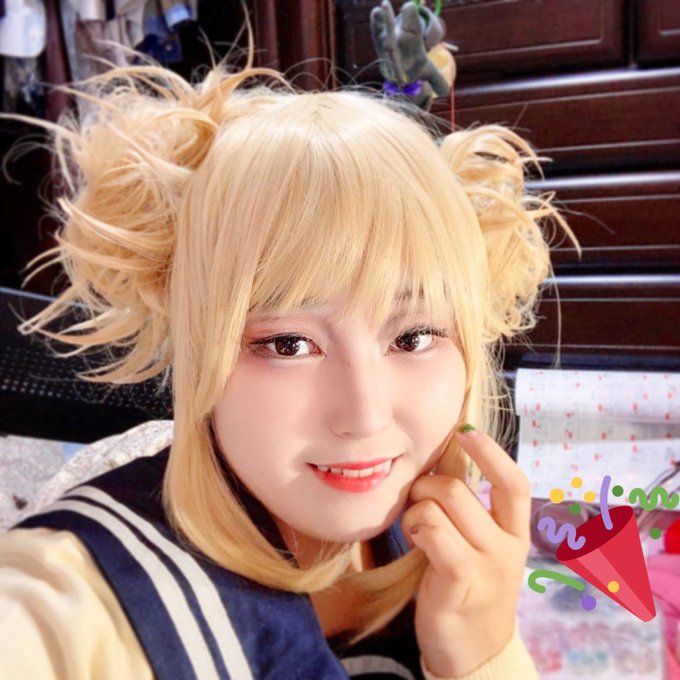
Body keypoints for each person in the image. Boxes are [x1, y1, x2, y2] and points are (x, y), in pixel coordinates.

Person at [0, 24, 575, 679]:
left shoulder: (443, 543)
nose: (364, 416)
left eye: (414, 337)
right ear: (200, 344)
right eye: (288, 343)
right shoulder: (73, 606)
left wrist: (485, 652)